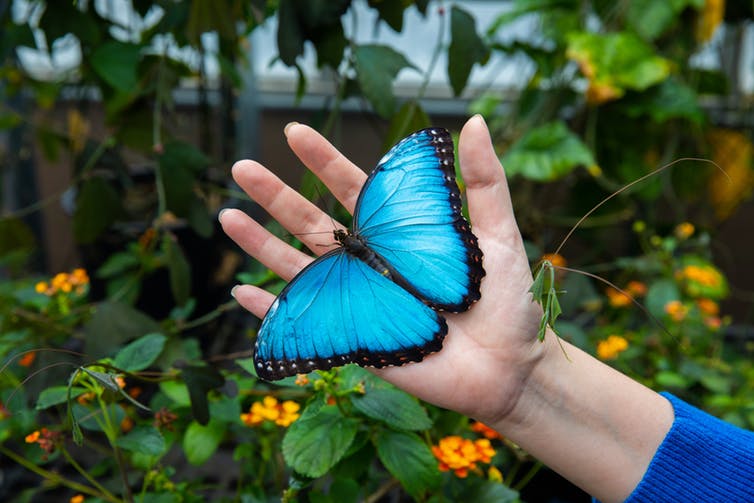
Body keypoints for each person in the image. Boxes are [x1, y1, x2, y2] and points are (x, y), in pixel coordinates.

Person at [219, 115, 754, 502]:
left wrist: (528, 376)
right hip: (435, 268)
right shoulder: (376, 211)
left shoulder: (324, 278)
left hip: (401, 304)